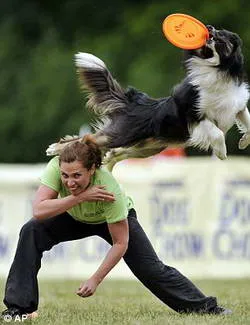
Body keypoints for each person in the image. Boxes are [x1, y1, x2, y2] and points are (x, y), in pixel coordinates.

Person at [2, 135, 231, 320]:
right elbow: (39, 210)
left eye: (77, 176)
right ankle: (18, 310)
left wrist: (95, 279)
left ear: (92, 170)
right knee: (31, 230)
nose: (70, 182)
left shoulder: (109, 189)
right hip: (73, 215)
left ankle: (207, 308)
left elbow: (121, 243)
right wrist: (79, 198)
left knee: (152, 270)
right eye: (65, 176)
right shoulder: (56, 167)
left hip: (109, 219)